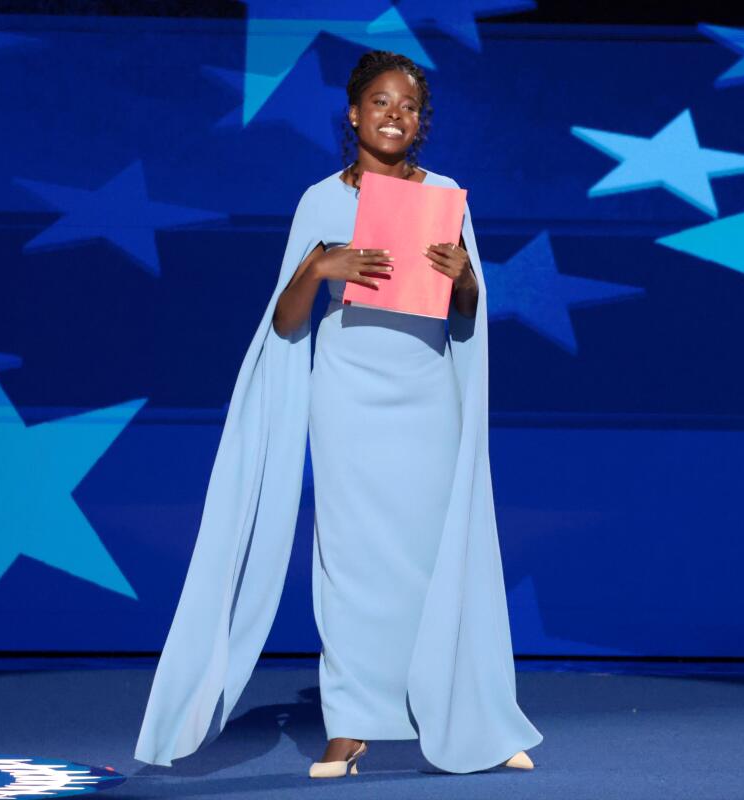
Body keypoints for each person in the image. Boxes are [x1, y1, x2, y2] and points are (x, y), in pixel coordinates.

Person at [133, 50, 542, 778]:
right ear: (353, 113)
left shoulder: (446, 194)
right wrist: (318, 269)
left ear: (422, 122)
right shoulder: (321, 199)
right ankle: (351, 726)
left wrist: (468, 279)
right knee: (350, 565)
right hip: (348, 399)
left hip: (426, 399)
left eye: (409, 106)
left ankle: (470, 718)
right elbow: (286, 324)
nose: (394, 115)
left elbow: (467, 318)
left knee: (436, 557)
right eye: (380, 102)